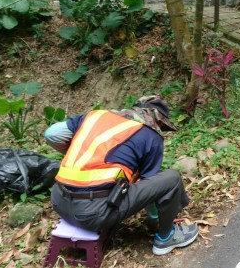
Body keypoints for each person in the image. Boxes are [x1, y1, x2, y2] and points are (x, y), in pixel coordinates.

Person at [44, 95, 199, 255]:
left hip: (58, 202)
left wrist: (79, 153)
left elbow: (52, 133)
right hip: (92, 214)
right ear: (156, 119)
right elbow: (150, 183)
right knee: (172, 179)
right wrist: (154, 221)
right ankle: (166, 238)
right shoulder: (151, 136)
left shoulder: (95, 116)